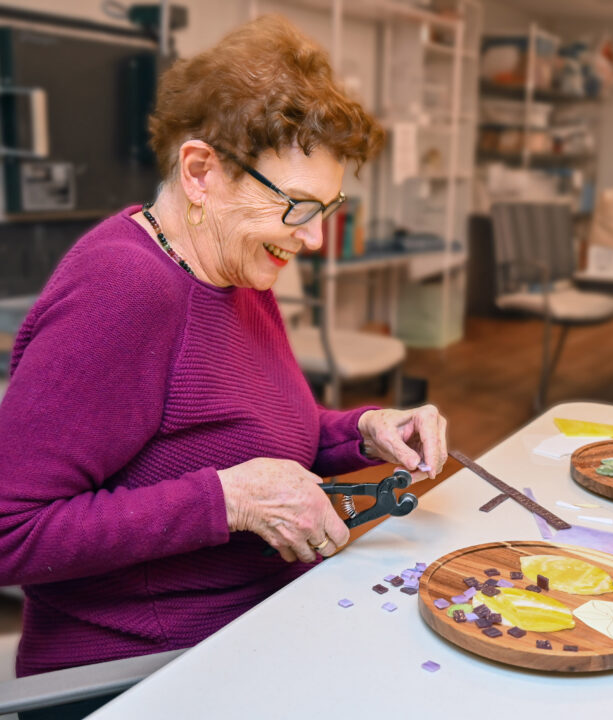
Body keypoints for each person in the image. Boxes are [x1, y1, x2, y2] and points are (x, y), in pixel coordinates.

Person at [0, 14, 448, 684]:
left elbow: (251, 435)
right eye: (297, 206)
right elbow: (11, 532)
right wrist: (228, 502)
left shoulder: (234, 268)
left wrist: (366, 430)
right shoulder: (127, 291)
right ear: (202, 172)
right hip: (141, 673)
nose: (315, 239)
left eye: (326, 209)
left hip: (261, 629)